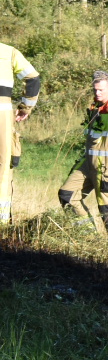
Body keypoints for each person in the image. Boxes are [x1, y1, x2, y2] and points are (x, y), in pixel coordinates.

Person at [59, 69, 108, 239]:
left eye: (101, 90)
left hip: (107, 166)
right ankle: (89, 237)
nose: (97, 93)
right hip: (88, 163)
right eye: (95, 90)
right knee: (67, 195)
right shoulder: (96, 106)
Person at [0, 41, 41, 224]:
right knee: (3, 166)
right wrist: (25, 107)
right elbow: (33, 79)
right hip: (2, 114)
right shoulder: (9, 52)